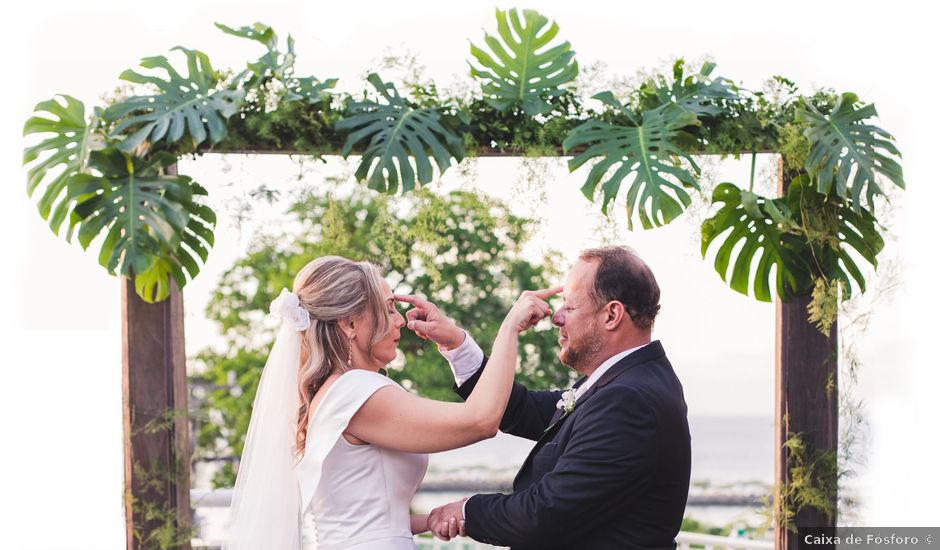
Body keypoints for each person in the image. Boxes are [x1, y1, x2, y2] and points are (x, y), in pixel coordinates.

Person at [224, 255, 561, 550]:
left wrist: (428, 519)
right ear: (350, 323)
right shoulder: (354, 391)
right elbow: (481, 420)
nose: (400, 320)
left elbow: (360, 517)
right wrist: (510, 327)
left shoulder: (334, 393)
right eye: (388, 309)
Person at [407, 245, 692, 550]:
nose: (556, 317)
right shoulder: (622, 383)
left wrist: (466, 511)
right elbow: (520, 409)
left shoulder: (628, 399)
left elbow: (545, 514)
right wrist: (456, 343)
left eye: (569, 306)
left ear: (611, 314)